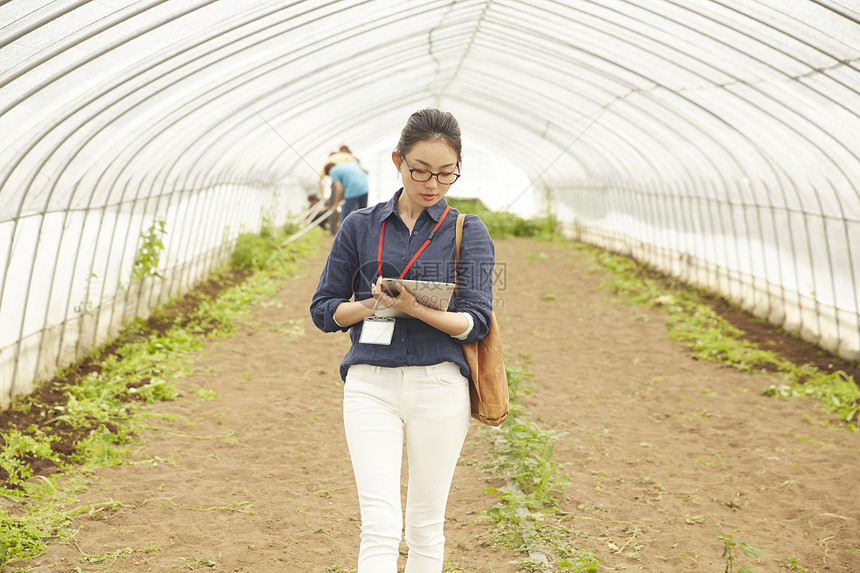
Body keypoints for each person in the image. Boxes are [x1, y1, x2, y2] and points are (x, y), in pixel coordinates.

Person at [310, 109, 496, 573]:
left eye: (445, 174)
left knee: (426, 526)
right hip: (370, 383)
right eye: (420, 170)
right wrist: (372, 305)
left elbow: (477, 322)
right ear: (397, 161)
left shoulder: (466, 232)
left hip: (439, 385)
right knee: (379, 524)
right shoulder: (360, 227)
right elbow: (324, 310)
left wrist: (416, 308)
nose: (432, 184)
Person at [325, 157, 369, 226]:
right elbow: (366, 172)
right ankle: (364, 233)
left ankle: (345, 234)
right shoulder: (350, 163)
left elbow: (339, 190)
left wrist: (335, 205)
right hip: (364, 188)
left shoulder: (333, 171)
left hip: (352, 191)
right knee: (363, 214)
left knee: (346, 216)